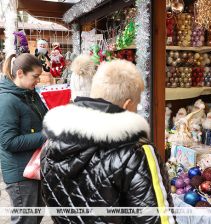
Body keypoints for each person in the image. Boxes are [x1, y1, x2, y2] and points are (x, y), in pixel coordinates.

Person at [41, 59, 175, 224]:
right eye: (137, 105)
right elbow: (158, 218)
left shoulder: (51, 142)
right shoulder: (136, 151)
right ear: (127, 105)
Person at [0, 53, 48, 224]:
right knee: (26, 220)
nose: (38, 81)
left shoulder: (30, 93)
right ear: (20, 73)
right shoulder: (6, 100)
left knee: (34, 218)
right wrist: (46, 135)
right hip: (20, 174)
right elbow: (8, 142)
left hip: (33, 168)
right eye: (35, 76)